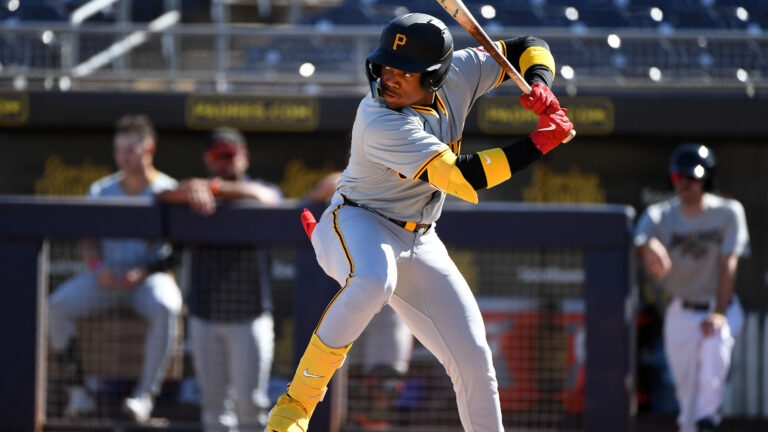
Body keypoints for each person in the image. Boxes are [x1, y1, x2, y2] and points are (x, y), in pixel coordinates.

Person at [266, 12, 573, 432]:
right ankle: (296, 405)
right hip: (359, 219)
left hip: (421, 237)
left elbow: (526, 45)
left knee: (474, 359)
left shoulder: (461, 71)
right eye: (386, 66)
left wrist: (539, 81)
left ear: (433, 77)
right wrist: (539, 142)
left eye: (404, 72)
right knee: (374, 280)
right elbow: (463, 175)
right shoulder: (379, 118)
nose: (389, 78)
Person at [47, 114, 183, 422]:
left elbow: (176, 252)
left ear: (149, 150)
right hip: (106, 278)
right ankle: (78, 391)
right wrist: (98, 268)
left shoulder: (168, 189)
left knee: (167, 304)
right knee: (56, 305)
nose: (123, 157)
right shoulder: (101, 191)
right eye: (119, 150)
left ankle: (143, 397)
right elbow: (88, 243)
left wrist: (144, 272)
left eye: (130, 150)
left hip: (147, 278)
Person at [159, 127, 282, 432]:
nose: (224, 162)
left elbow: (270, 198)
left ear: (244, 157)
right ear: (207, 158)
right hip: (205, 315)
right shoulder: (193, 196)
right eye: (218, 156)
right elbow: (160, 196)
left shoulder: (255, 190)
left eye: (230, 155)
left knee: (250, 405)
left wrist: (213, 187)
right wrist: (191, 189)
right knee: (214, 409)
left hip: (250, 316)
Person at [634, 144, 750, 432]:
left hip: (720, 305)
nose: (684, 184)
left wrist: (720, 312)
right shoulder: (662, 214)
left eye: (692, 178)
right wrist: (649, 245)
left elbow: (728, 265)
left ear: (707, 179)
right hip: (681, 310)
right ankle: (697, 423)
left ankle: (708, 419)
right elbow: (640, 234)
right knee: (687, 402)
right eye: (678, 178)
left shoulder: (728, 212)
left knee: (716, 341)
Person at [305, 171, 415, 430]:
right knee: (343, 389)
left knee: (384, 387)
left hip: (391, 301)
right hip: (348, 294)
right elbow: (312, 197)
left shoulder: (402, 178)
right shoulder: (343, 183)